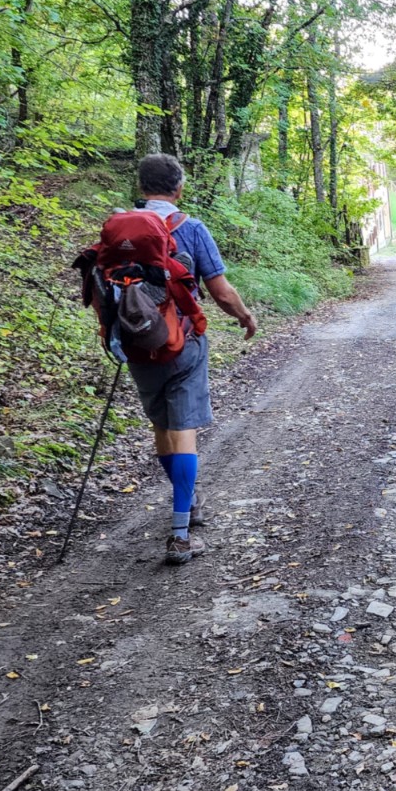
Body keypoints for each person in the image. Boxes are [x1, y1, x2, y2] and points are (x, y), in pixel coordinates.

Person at [127, 153, 258, 563]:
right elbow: (219, 291)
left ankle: (189, 498)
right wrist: (245, 316)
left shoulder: (121, 229)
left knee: (162, 424)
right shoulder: (192, 228)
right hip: (183, 339)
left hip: (136, 341)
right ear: (179, 187)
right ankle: (181, 533)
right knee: (183, 427)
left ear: (141, 188)